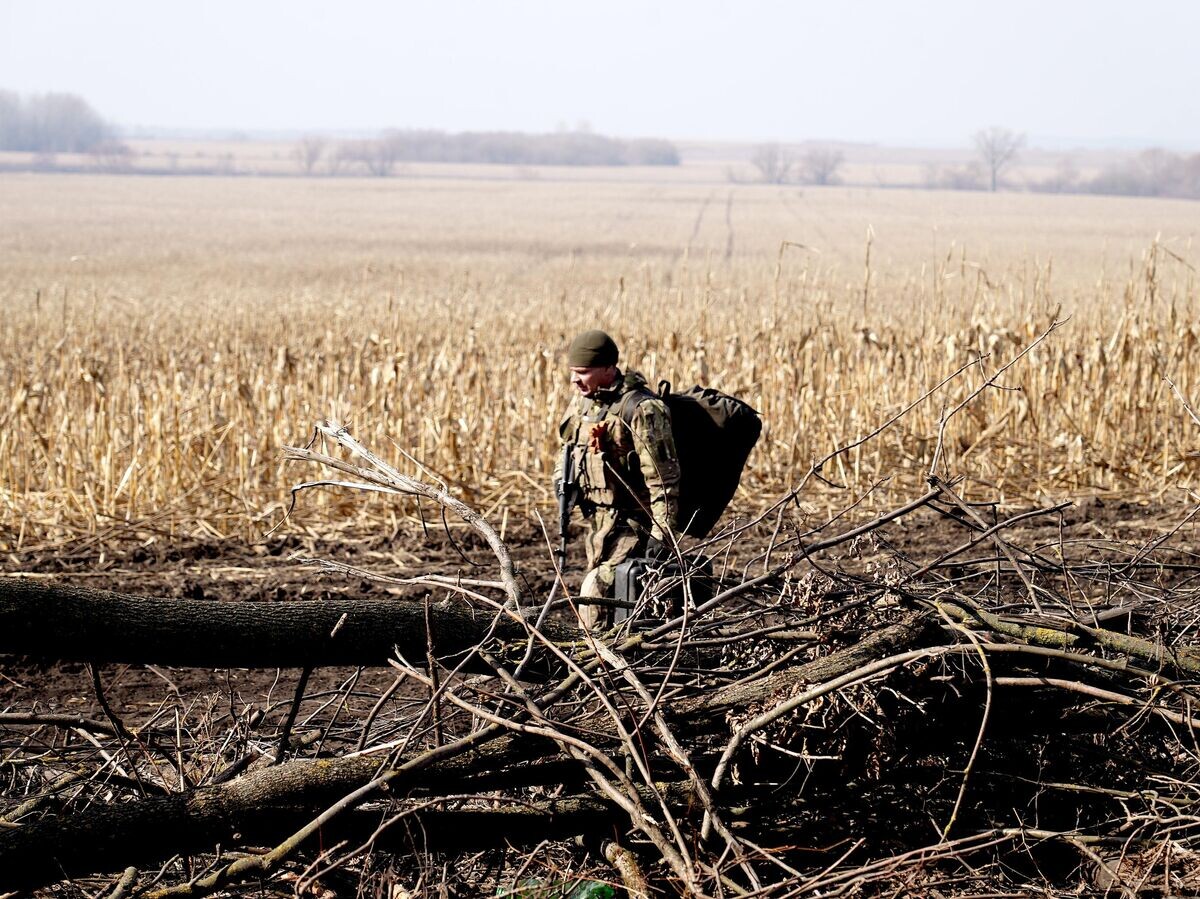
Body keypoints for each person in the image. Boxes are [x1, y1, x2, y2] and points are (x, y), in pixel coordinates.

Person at [553, 329, 680, 629]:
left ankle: (598, 661)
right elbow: (567, 449)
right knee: (614, 600)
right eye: (573, 372)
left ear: (609, 369)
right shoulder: (584, 405)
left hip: (636, 526)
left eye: (583, 372)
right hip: (600, 526)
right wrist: (563, 484)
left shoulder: (643, 410)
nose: (575, 380)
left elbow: (664, 482)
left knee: (595, 590)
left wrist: (661, 537)